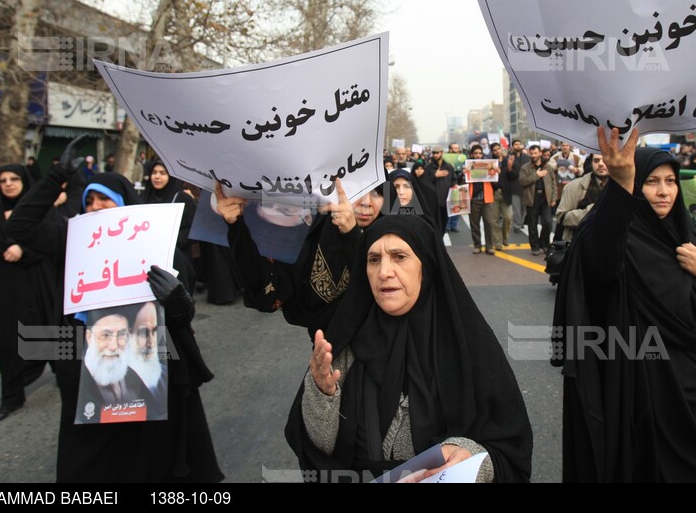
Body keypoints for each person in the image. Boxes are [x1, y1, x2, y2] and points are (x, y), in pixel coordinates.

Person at [5, 137, 223, 482]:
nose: (94, 207)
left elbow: (183, 313)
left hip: (150, 376)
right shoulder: (70, 240)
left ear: (124, 204)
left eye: (104, 199)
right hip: (88, 376)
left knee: (151, 461)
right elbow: (17, 228)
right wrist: (55, 177)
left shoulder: (155, 245)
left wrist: (177, 300)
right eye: (88, 200)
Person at [285, 215, 533, 482]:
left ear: (426, 265)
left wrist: (469, 455)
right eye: (374, 259)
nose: (384, 272)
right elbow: (319, 450)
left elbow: (508, 447)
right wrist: (323, 392)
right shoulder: (345, 344)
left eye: (399, 257)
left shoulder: (468, 347)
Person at [552, 127, 696, 482]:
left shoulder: (686, 235)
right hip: (638, 385)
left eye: (671, 181)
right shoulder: (615, 233)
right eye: (652, 181)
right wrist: (621, 185)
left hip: (691, 386)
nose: (664, 191)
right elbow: (598, 259)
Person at [218, 179, 384, 337]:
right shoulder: (313, 235)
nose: (366, 202)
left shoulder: (398, 235)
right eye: (355, 191)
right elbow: (266, 283)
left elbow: (379, 289)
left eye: (377, 192)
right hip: (328, 345)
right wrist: (236, 227)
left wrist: (351, 234)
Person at [0, 164, 55, 423]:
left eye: (14, 178)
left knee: (50, 329)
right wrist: (10, 246)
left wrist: (23, 250)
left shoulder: (39, 209)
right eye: (2, 179)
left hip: (38, 278)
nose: (8, 183)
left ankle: (67, 379)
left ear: (24, 181)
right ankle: (12, 397)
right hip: (8, 284)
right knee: (7, 339)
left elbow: (51, 238)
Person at [77, 305, 159, 423]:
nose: (114, 346)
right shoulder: (79, 382)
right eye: (105, 335)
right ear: (89, 337)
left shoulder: (132, 376)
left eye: (121, 335)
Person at [143, 159, 197, 266]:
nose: (157, 177)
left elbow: (192, 229)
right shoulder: (144, 197)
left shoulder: (183, 199)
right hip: (149, 257)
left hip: (177, 257)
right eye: (154, 172)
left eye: (163, 173)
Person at [555, 153, 609, 242]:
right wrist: (592, 211)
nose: (601, 163)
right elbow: (561, 217)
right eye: (596, 160)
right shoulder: (573, 187)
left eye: (605, 160)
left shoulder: (623, 187)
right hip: (580, 244)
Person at [520, 144, 557, 255]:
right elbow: (522, 181)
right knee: (532, 224)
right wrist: (536, 175)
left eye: (535, 153)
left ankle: (544, 244)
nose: (533, 155)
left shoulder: (548, 167)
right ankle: (535, 246)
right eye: (531, 153)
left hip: (545, 197)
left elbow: (553, 183)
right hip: (532, 198)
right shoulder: (525, 167)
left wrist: (553, 198)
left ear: (540, 153)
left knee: (548, 223)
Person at [466, 145, 497, 255]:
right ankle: (477, 245)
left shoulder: (489, 165)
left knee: (489, 222)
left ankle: (489, 246)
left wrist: (494, 171)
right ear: (472, 155)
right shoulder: (468, 166)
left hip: (487, 199)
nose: (478, 155)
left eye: (480, 153)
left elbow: (495, 182)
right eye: (476, 153)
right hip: (473, 199)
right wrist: (465, 172)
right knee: (474, 224)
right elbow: (463, 182)